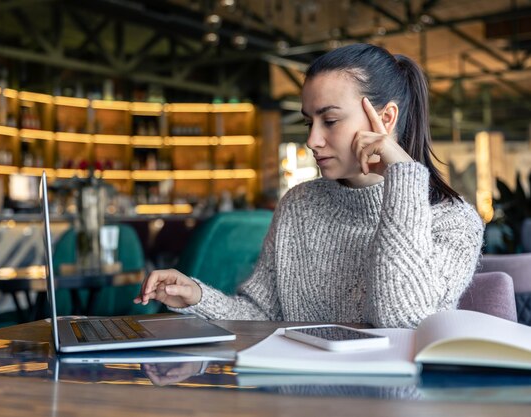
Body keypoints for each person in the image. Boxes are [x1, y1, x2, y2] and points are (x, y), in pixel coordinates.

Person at [134, 43, 484, 328]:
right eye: (308, 122)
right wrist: (198, 297)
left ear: (386, 119)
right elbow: (264, 317)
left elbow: (404, 320)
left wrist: (403, 177)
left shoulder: (454, 222)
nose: (313, 140)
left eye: (330, 120)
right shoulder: (300, 204)